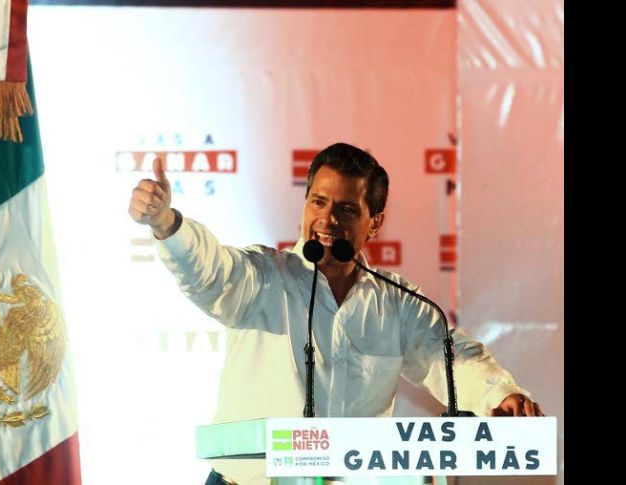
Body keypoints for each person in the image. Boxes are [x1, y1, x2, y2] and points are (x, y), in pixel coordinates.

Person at [128, 142, 543, 485]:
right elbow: (211, 272)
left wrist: (499, 396)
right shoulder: (263, 279)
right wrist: (167, 224)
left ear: (374, 223)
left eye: (346, 209)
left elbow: (454, 358)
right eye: (318, 201)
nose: (327, 219)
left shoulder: (396, 302)